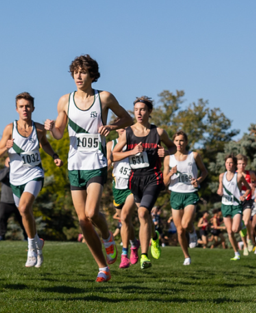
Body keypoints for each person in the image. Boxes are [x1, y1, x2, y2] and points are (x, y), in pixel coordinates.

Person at [44, 55, 133, 282]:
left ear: (92, 75)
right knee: (83, 219)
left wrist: (111, 126)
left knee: (92, 213)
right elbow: (59, 133)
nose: (78, 76)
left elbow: (127, 119)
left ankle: (107, 236)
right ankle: (102, 267)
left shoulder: (104, 98)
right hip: (75, 164)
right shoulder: (65, 100)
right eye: (75, 72)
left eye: (83, 72)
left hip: (97, 162)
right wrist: (50, 128)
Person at [0, 92, 63, 267]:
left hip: (34, 174)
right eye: (21, 106)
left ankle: (31, 248)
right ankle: (38, 242)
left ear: (33, 108)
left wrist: (54, 155)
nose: (24, 109)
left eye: (27, 106)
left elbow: (45, 143)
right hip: (15, 179)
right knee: (25, 212)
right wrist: (6, 147)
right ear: (16, 109)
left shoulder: (39, 128)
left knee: (24, 207)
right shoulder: (10, 129)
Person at [112, 96, 175, 269]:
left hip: (153, 178)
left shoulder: (158, 132)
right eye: (136, 109)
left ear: (149, 112)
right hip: (135, 180)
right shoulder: (128, 133)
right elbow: (113, 155)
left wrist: (165, 152)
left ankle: (144, 256)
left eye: (142, 109)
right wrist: (130, 152)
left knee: (142, 213)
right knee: (145, 216)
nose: (139, 113)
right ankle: (154, 237)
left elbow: (173, 147)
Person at [164, 130, 208, 266]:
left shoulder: (194, 156)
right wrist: (171, 172)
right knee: (180, 230)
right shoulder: (168, 159)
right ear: (174, 142)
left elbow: (204, 171)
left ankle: (192, 230)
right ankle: (186, 256)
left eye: (182, 140)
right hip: (175, 194)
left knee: (185, 224)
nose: (179, 143)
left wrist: (198, 181)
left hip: (190, 193)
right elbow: (165, 182)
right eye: (176, 141)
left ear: (186, 142)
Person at [107, 128, 139, 269]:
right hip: (117, 187)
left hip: (132, 186)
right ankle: (134, 242)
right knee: (125, 221)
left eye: (125, 126)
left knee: (125, 218)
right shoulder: (111, 144)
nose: (122, 129)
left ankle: (125, 255)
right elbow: (109, 162)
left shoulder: (135, 143)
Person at [217, 154, 252, 261]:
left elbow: (249, 188)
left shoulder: (239, 176)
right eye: (227, 162)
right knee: (229, 232)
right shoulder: (221, 176)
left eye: (231, 163)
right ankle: (236, 253)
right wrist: (219, 191)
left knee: (235, 229)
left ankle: (242, 226)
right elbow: (220, 189)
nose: (229, 165)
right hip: (225, 206)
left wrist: (244, 196)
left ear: (235, 164)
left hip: (236, 206)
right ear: (225, 164)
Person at [0, 158, 28, 241]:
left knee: (22, 219)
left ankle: (27, 236)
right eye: (9, 162)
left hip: (17, 200)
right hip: (5, 201)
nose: (11, 163)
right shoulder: (3, 172)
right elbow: (1, 178)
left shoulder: (18, 172)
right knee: (2, 218)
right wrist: (8, 168)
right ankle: (1, 236)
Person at [236, 154, 256, 254]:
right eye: (240, 164)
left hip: (248, 200)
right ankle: (244, 244)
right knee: (241, 224)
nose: (242, 166)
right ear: (236, 164)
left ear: (246, 164)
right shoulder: (234, 174)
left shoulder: (251, 174)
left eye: (244, 164)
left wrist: (253, 185)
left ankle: (249, 239)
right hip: (237, 201)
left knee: (246, 221)